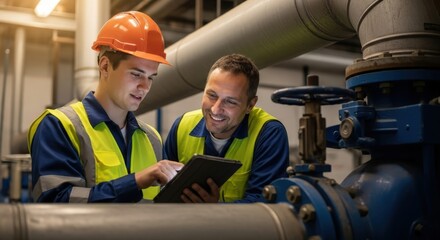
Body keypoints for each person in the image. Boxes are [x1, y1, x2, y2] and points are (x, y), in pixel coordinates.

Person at [28, 11, 183, 203]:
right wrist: (135, 182)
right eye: (136, 74)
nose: (145, 87)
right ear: (105, 66)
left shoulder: (152, 138)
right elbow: (54, 202)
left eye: (150, 77)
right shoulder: (60, 126)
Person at [164, 53, 290, 203]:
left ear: (250, 105)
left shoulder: (269, 134)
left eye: (230, 102)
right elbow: (165, 192)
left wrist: (217, 211)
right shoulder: (181, 127)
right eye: (211, 95)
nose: (216, 109)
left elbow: (265, 205)